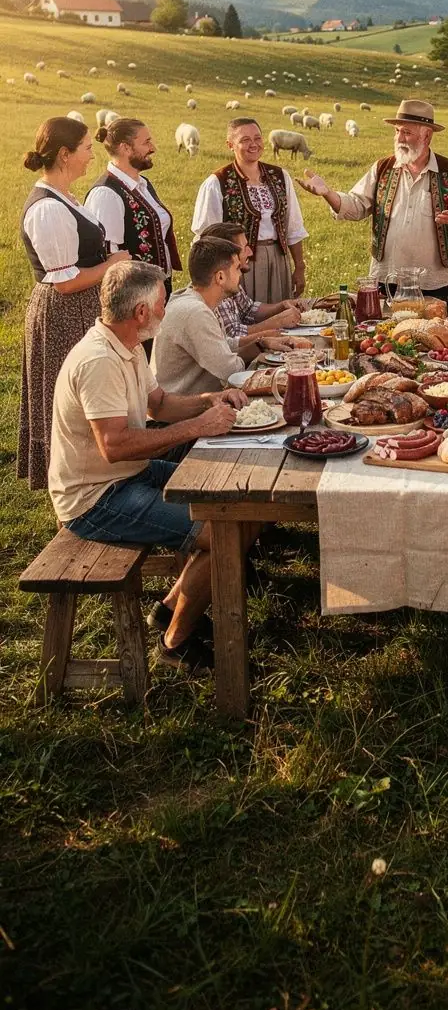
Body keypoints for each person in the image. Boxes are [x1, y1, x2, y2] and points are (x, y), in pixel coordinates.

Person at [48, 260, 247, 669]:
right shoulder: (99, 361)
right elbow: (115, 446)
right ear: (140, 313)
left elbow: (158, 403)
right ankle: (175, 643)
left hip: (129, 475)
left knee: (238, 502)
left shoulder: (129, 344)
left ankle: (171, 608)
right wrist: (198, 426)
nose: (165, 309)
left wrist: (208, 401)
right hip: (95, 498)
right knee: (222, 530)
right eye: (162, 302)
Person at [18, 117, 130, 489]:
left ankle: (94, 479)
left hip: (82, 307)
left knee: (88, 399)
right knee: (67, 402)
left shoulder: (65, 198)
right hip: (64, 314)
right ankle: (70, 497)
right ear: (65, 155)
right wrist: (111, 265)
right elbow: (65, 282)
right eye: (86, 148)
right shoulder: (47, 208)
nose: (91, 155)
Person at [297, 99, 448, 300]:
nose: (399, 138)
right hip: (386, 278)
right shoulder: (382, 168)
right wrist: (327, 193)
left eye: (406, 132)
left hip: (435, 282)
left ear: (426, 136)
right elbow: (357, 205)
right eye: (397, 131)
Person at [85, 117, 182, 356]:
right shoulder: (106, 194)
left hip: (153, 293)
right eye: (146, 142)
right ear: (125, 148)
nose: (153, 148)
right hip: (133, 305)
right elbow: (109, 261)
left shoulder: (143, 184)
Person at [191, 117, 307, 303]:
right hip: (237, 266)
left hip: (278, 260)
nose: (253, 144)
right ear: (230, 144)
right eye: (245, 140)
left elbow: (293, 226)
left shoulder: (280, 176)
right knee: (247, 321)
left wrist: (299, 267)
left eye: (257, 138)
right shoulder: (216, 182)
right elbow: (206, 238)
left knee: (282, 315)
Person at [153, 237, 253, 395]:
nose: (240, 275)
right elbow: (232, 372)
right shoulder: (196, 312)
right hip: (183, 410)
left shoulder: (189, 298)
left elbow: (220, 344)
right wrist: (260, 358)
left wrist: (261, 343)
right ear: (220, 277)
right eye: (237, 268)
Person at [199, 222, 304, 345]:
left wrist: (282, 306)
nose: (250, 252)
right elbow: (233, 338)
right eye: (245, 248)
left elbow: (249, 310)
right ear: (229, 254)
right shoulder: (214, 289)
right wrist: (277, 322)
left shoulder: (230, 279)